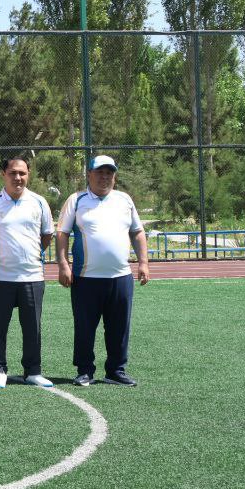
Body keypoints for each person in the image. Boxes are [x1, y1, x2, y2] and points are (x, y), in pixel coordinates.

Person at [56, 155, 150, 387]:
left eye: (109, 173)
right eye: (99, 172)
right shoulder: (77, 200)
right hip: (85, 278)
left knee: (119, 328)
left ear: (114, 176)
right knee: (85, 328)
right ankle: (85, 371)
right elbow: (62, 233)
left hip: (120, 277)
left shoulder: (124, 200)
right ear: (89, 174)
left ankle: (116, 371)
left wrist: (143, 262)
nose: (104, 177)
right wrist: (63, 264)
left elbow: (137, 232)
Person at [0, 156, 55, 389]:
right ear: (3, 174)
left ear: (28, 174)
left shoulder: (39, 202)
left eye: (22, 173)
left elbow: (46, 235)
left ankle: (33, 371)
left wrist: (30, 254)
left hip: (32, 276)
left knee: (33, 327)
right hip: (1, 277)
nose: (18, 177)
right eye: (13, 173)